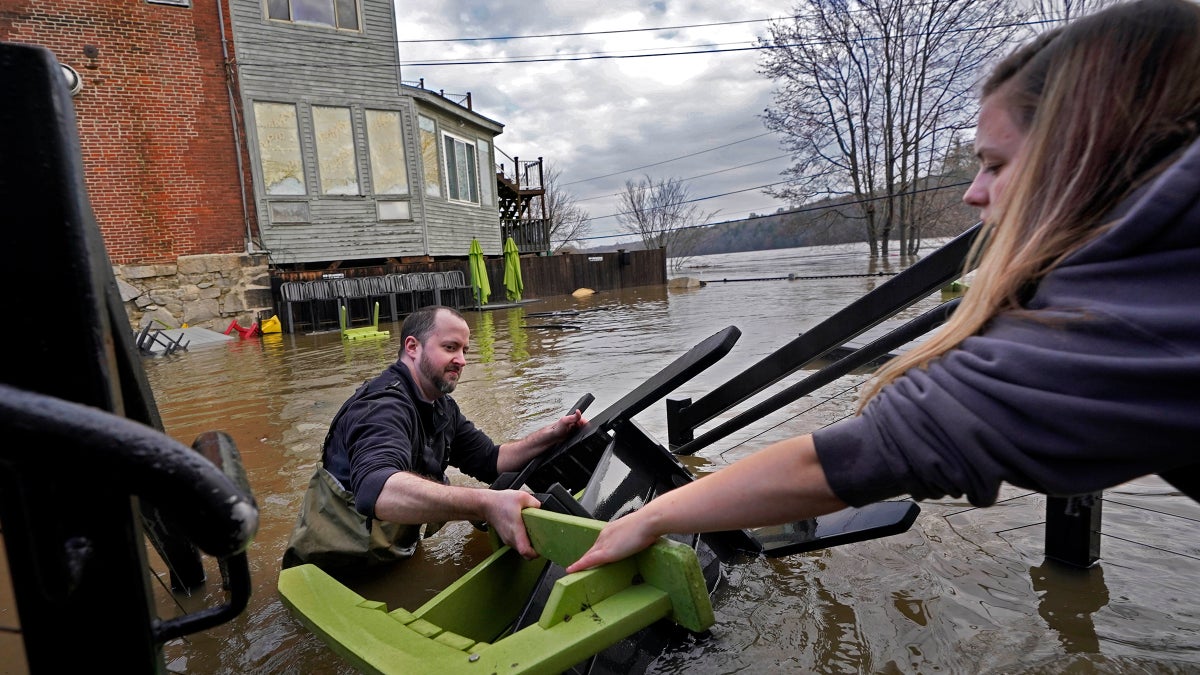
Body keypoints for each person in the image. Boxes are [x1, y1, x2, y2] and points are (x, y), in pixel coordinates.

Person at [567, 0, 1200, 574]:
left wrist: (651, 516)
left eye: (997, 164)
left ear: (1090, 154)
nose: (973, 193)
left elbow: (844, 461)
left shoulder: (1115, 324)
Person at [283, 305, 586, 571]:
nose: (462, 360)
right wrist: (485, 504)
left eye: (465, 350)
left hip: (388, 553)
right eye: (450, 347)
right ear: (412, 347)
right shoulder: (380, 408)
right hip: (334, 570)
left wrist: (551, 435)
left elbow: (491, 460)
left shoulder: (440, 405)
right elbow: (376, 491)